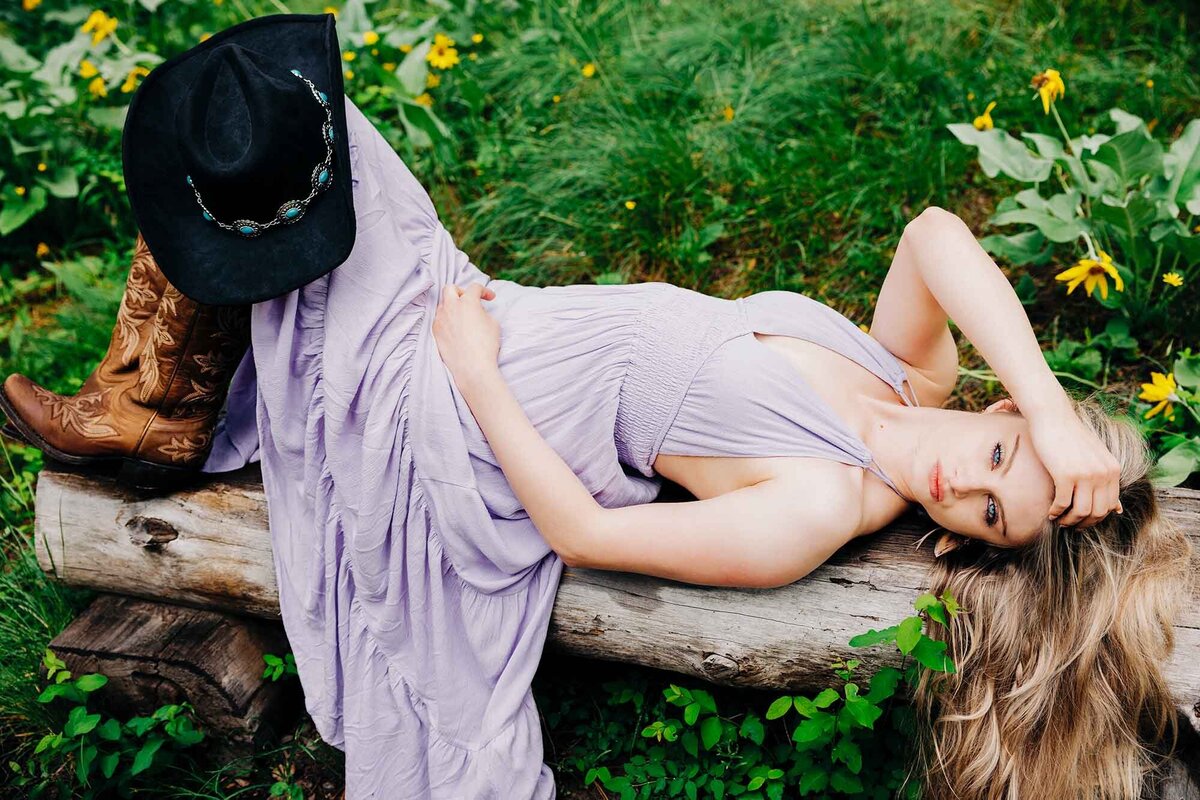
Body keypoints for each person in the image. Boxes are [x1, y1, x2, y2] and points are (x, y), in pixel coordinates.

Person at [2, 16, 1189, 800]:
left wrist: (471, 368)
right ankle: (148, 399)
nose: (960, 482)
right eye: (996, 453)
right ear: (998, 406)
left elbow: (588, 534)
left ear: (959, 542)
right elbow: (935, 235)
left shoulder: (822, 502)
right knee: (267, 115)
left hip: (446, 410)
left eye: (984, 514)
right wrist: (1057, 410)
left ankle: (152, 405)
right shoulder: (908, 376)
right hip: (480, 306)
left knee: (285, 130)